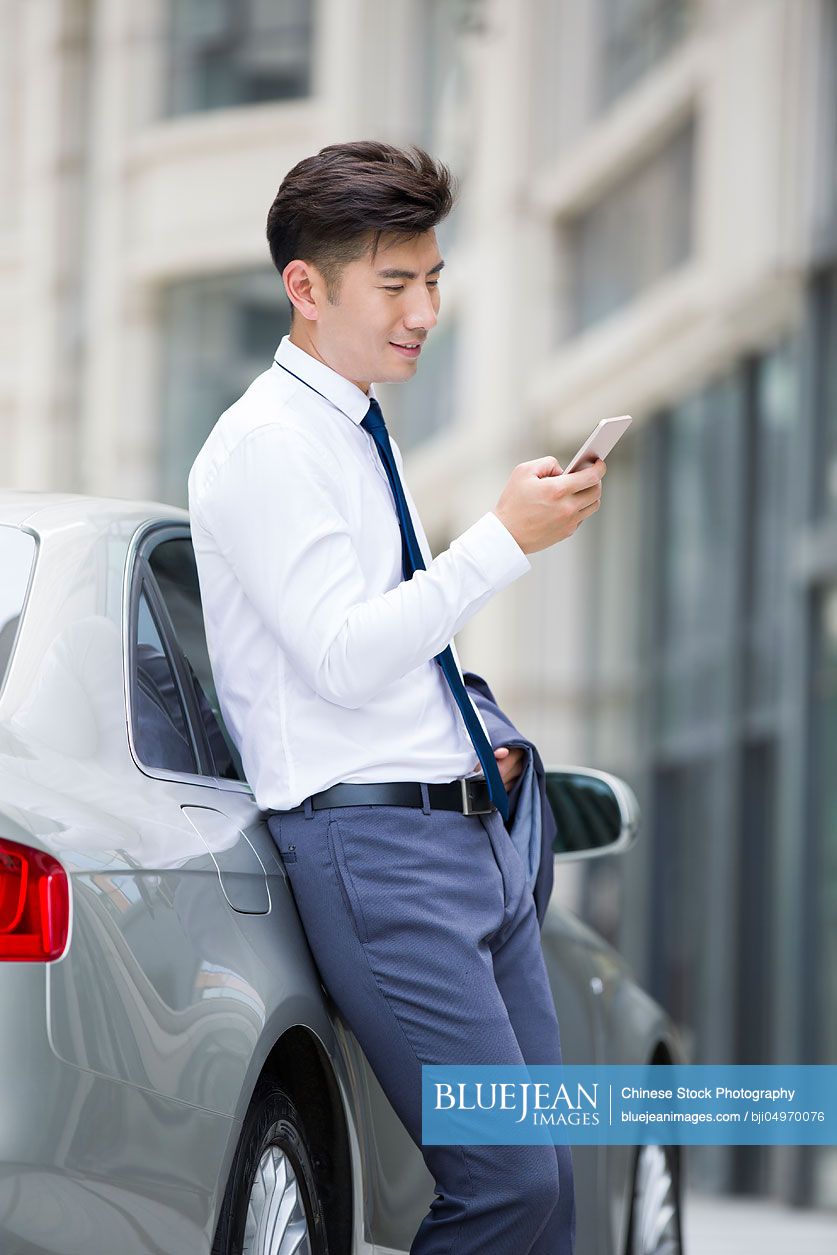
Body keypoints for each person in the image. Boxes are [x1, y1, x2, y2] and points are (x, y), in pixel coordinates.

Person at [188, 140, 606, 1255]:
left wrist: (491, 751)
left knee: (550, 1184)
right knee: (508, 1182)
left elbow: (397, 648)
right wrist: (499, 544)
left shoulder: (357, 425)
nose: (425, 308)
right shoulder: (266, 447)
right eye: (396, 283)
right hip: (378, 852)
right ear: (307, 289)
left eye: (433, 277)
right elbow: (340, 656)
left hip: (468, 839)